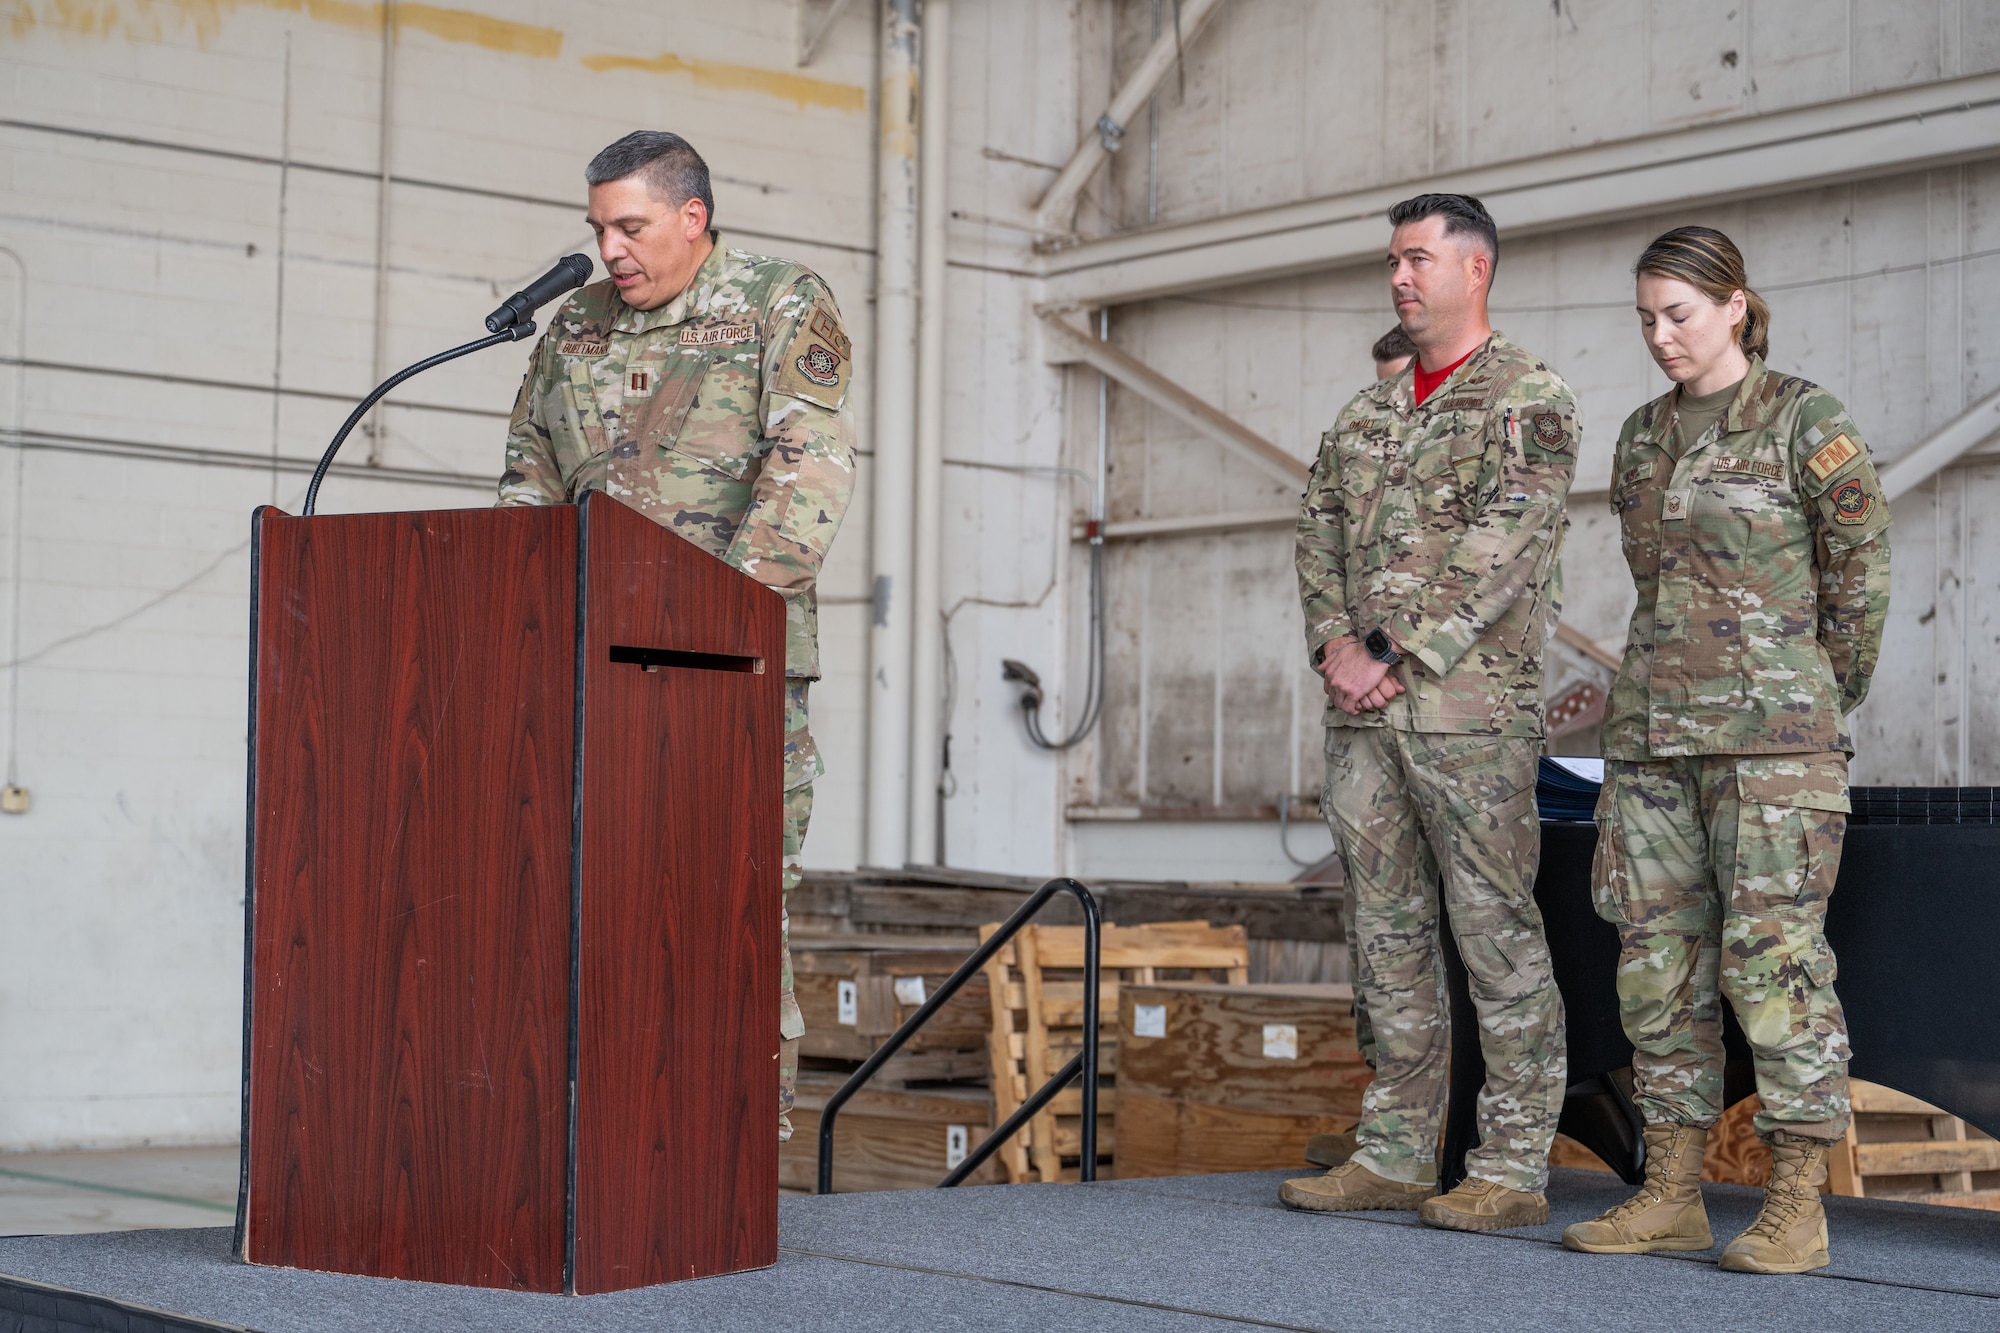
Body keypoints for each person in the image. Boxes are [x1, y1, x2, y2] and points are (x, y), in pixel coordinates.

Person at [496, 131, 858, 1142]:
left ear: (691, 219)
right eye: (597, 228)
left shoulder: (777, 300)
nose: (608, 248)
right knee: (578, 901)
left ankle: (735, 1144)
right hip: (581, 676)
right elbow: (529, 475)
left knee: (725, 906)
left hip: (725, 675)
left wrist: (719, 628)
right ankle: (595, 1130)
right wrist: (513, 619)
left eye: (629, 226)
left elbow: (810, 470)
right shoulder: (573, 327)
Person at [1561, 226, 1890, 1274]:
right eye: (1646, 318)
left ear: (1734, 306)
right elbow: (1653, 585)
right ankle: (1669, 1192)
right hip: (1651, 741)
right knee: (1654, 968)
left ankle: (1795, 1204)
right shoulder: (1638, 436)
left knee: (1771, 967)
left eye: (1679, 314)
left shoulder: (1802, 420)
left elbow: (1861, 577)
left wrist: (1806, 702)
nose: (1660, 335)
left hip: (1770, 750)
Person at [1285, 193, 1575, 1232]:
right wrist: (1332, 643)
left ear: (1474, 270)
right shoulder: (1366, 412)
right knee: (1386, 935)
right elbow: (1314, 527)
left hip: (1466, 716)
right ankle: (1396, 1151)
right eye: (1392, 263)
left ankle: (1509, 1162)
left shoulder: (1526, 397)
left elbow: (1504, 547)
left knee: (1494, 933)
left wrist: (1389, 652)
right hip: (1363, 722)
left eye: (1416, 260)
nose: (1399, 278)